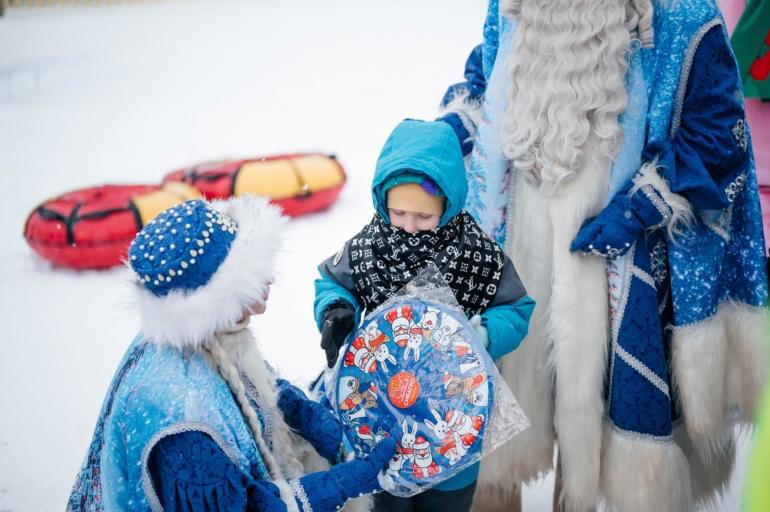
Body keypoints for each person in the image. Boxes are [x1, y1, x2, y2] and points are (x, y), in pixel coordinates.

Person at [436, 1, 769, 511]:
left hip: (620, 259)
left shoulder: (681, 14)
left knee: (595, 434)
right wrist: (454, 127)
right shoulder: (512, 5)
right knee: (488, 429)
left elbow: (717, 130)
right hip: (512, 236)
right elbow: (486, 75)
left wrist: (643, 204)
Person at [67, 196, 395, 512]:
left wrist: (302, 412)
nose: (270, 278)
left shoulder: (203, 333)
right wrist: (342, 484)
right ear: (217, 298)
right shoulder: (184, 420)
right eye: (252, 275)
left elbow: (249, 388)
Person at [313, 119, 536, 512]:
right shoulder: (370, 244)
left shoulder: (477, 254)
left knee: (446, 500)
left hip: (453, 415)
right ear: (384, 202)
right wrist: (337, 310)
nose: (409, 227)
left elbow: (517, 308)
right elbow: (333, 282)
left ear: (447, 207)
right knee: (384, 499)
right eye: (399, 212)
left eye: (424, 217)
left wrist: (481, 334)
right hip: (380, 407)